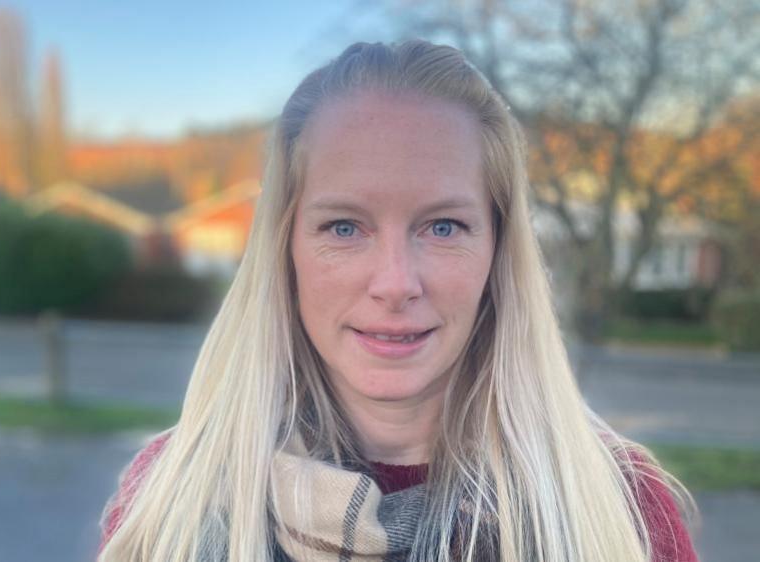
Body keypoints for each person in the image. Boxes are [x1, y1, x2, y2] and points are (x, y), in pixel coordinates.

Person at [97, 40, 698, 561]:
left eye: (442, 227)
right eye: (343, 227)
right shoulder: (172, 496)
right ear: (285, 251)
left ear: (497, 251)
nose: (394, 283)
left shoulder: (621, 508)